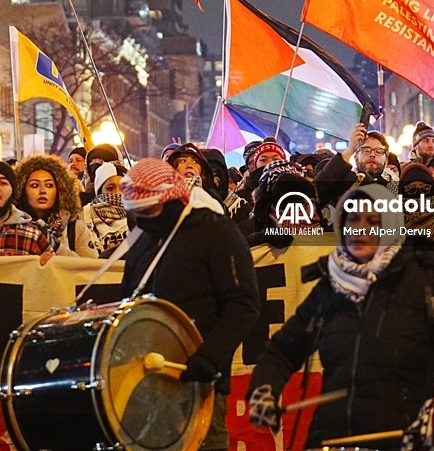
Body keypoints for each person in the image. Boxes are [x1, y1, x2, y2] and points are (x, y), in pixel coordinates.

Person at [246, 184, 434, 449]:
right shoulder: (331, 287)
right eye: (352, 220)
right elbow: (282, 349)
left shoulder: (426, 282)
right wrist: (264, 388)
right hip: (330, 439)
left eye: (372, 220)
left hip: (402, 441)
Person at [120, 159, 260, 451]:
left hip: (200, 384)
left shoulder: (216, 232)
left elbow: (243, 304)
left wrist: (207, 360)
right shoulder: (144, 239)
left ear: (172, 201)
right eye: (138, 213)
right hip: (145, 385)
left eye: (150, 210)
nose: (144, 219)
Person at [13, 153, 84, 255]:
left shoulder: (76, 229)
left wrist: (55, 245)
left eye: (49, 185)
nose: (43, 190)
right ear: (22, 190)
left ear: (60, 190)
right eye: (34, 185)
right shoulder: (11, 229)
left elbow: (91, 267)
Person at [316, 123, 397, 209]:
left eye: (379, 151)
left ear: (386, 161)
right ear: (355, 158)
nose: (372, 154)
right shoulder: (343, 184)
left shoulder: (398, 190)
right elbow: (317, 191)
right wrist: (350, 149)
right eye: (366, 150)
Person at [242, 160, 317, 248]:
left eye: (312, 203)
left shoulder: (321, 227)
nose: (311, 212)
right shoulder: (248, 231)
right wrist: (260, 240)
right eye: (302, 204)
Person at [78, 161, 129, 256]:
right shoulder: (84, 215)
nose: (117, 193)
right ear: (100, 190)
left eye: (123, 189)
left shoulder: (138, 218)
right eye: (110, 188)